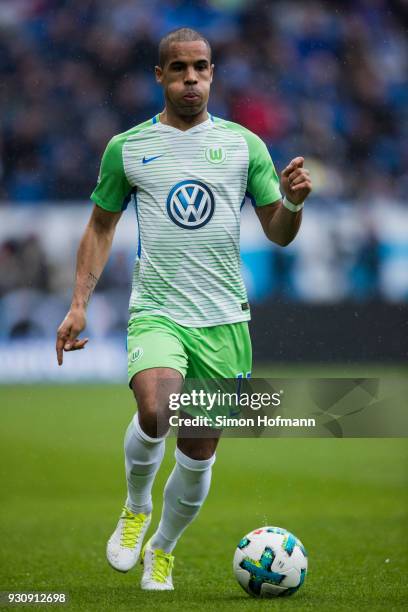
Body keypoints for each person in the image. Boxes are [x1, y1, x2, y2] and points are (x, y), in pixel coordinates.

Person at [55, 27, 312, 591]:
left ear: (212, 74)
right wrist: (78, 305)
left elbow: (280, 233)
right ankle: (134, 507)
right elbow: (100, 225)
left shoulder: (245, 146)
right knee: (157, 409)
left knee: (197, 452)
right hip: (158, 310)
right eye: (178, 68)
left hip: (224, 320)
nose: (190, 77)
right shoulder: (128, 147)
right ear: (160, 77)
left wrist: (292, 202)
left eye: (200, 67)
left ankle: (162, 549)